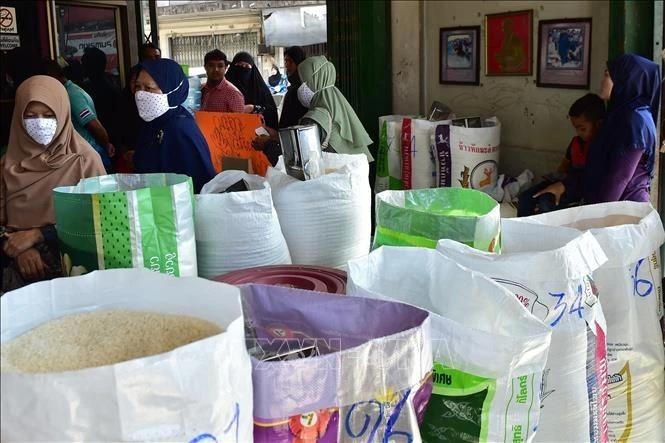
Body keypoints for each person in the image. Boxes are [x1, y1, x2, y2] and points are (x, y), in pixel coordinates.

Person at [1, 75, 105, 292]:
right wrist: (17, 249)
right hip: (19, 279)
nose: (40, 123)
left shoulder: (84, 160)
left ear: (63, 114)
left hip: (77, 276)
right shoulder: (6, 164)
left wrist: (38, 234)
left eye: (49, 115)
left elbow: (101, 219)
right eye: (30, 116)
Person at [535, 54, 660, 205]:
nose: (602, 81)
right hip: (610, 207)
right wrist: (566, 185)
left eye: (607, 75)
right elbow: (598, 166)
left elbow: (620, 177)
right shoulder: (618, 116)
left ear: (625, 80)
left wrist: (598, 215)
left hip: (623, 211)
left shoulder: (634, 120)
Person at [253, 55, 374, 166]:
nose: (299, 88)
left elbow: (300, 160)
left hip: (334, 185)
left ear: (314, 83)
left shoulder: (317, 116)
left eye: (302, 82)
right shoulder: (337, 107)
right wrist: (276, 137)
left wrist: (268, 145)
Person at [132, 58, 215, 193]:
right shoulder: (152, 122)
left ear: (172, 91)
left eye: (149, 88)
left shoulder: (180, 129)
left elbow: (199, 185)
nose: (140, 94)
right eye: (137, 87)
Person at [518, 93, 605, 216]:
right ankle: (521, 232)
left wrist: (563, 186)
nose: (579, 133)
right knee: (526, 197)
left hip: (579, 188)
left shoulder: (601, 148)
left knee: (546, 201)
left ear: (598, 124)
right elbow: (564, 166)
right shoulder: (576, 143)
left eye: (582, 129)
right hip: (565, 181)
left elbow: (590, 179)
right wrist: (554, 181)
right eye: (576, 128)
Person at [46, 60, 115, 172]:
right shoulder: (66, 92)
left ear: (52, 77)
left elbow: (94, 125)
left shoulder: (72, 95)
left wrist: (106, 144)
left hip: (91, 155)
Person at [81, 47, 123, 150]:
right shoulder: (112, 84)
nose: (82, 67)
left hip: (104, 143)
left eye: (84, 64)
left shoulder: (88, 90)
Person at [225, 52, 278, 129]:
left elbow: (271, 111)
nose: (243, 68)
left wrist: (253, 108)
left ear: (252, 69)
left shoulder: (260, 88)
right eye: (239, 65)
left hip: (257, 134)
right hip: (230, 131)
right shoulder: (225, 88)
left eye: (247, 66)